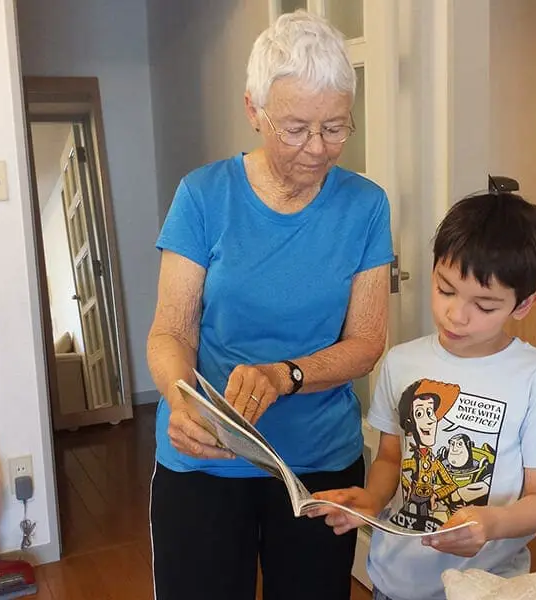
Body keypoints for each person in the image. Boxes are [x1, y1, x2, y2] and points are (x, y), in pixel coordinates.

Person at [146, 10, 393, 600]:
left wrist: (286, 376)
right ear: (254, 110)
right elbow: (170, 332)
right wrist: (182, 403)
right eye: (296, 128)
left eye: (336, 127)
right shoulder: (203, 195)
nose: (318, 148)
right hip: (204, 460)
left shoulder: (366, 206)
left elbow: (365, 342)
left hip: (318, 465)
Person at [312, 191, 536, 600]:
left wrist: (490, 524)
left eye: (485, 305)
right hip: (393, 581)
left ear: (524, 304)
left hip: (485, 588)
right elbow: (390, 458)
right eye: (446, 289)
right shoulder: (401, 362)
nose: (457, 315)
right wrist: (370, 498)